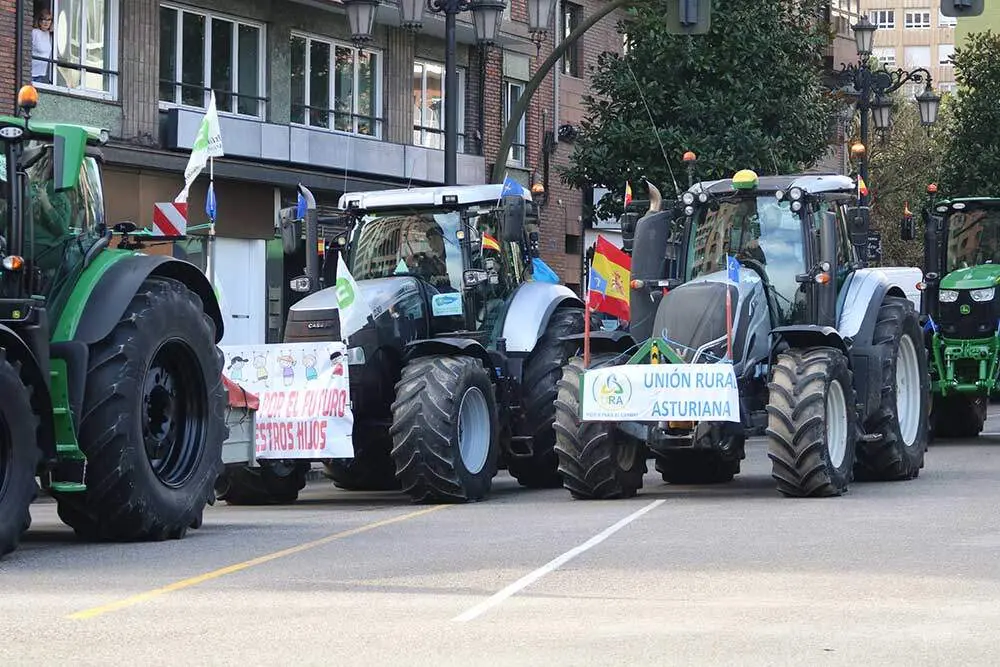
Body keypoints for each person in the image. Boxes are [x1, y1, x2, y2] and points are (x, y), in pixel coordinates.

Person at [31, 8, 53, 84]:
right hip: (31, 73)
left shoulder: (49, 34)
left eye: (49, 19)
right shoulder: (34, 32)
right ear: (39, 21)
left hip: (42, 74)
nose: (46, 22)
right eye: (43, 19)